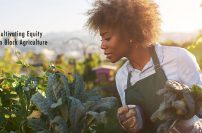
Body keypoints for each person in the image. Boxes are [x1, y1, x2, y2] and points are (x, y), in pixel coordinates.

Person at [86, 0, 202, 132]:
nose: (102, 45)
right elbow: (134, 125)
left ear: (130, 33)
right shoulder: (122, 77)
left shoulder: (178, 58)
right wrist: (131, 121)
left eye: (107, 38)